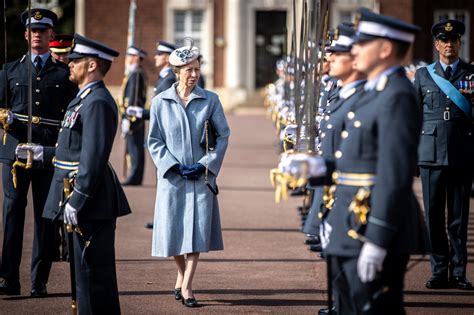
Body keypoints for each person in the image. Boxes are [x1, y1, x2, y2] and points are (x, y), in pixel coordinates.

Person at [320, 8, 430, 314]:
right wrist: (320, 169)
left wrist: (378, 239)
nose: (354, 49)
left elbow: (394, 174)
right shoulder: (373, 91)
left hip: (369, 226)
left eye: (362, 43)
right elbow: (357, 159)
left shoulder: (396, 94)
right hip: (350, 221)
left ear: (384, 49)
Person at [18, 33, 132, 313]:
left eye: (76, 60)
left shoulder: (98, 102)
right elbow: (75, 149)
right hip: (77, 193)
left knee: (93, 275)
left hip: (89, 199)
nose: (69, 63)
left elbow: (93, 158)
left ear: (92, 65)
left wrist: (78, 199)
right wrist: (44, 153)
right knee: (82, 277)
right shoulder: (83, 99)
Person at [0, 8, 77, 297]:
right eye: (33, 32)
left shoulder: (63, 73)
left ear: (51, 36)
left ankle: (39, 280)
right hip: (15, 155)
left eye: (43, 32)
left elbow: (73, 114)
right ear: (25, 35)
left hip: (48, 153)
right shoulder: (10, 70)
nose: (37, 36)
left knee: (46, 219)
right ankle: (8, 277)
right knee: (11, 215)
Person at [147, 40, 230, 307]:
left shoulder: (210, 100)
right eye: (188, 70)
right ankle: (181, 274)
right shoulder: (160, 102)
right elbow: (154, 140)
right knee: (173, 232)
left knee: (196, 231)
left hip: (200, 177)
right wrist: (170, 165)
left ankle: (187, 286)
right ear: (176, 71)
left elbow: (224, 136)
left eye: (196, 68)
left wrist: (206, 163)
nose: (193, 74)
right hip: (172, 177)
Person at [414, 19, 474, 290]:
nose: (449, 45)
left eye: (454, 40)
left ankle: (459, 272)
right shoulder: (423, 75)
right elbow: (415, 118)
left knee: (459, 219)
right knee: (434, 217)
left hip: (462, 154)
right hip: (430, 155)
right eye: (444, 40)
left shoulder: (472, 74)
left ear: (460, 43)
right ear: (437, 44)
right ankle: (439, 271)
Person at [121, 46, 148, 186]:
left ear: (136, 58)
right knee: (133, 148)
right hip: (133, 116)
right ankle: (135, 176)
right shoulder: (135, 73)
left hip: (134, 117)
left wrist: (127, 118)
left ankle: (135, 176)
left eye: (130, 56)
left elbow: (132, 98)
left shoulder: (136, 74)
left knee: (135, 148)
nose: (128, 59)